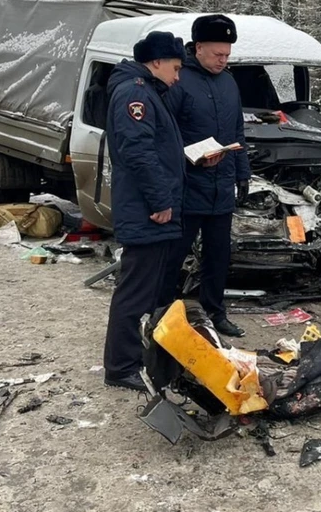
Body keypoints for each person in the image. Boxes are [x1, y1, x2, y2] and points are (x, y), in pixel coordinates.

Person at [103, 31, 187, 391]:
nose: (178, 75)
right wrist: (160, 201)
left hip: (149, 208)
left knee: (148, 288)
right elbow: (138, 153)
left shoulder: (149, 90)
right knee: (135, 289)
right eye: (176, 67)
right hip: (145, 210)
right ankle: (121, 367)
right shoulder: (136, 93)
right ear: (156, 62)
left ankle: (138, 357)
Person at [163, 14, 250, 337]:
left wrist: (242, 175)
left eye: (227, 55)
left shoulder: (228, 82)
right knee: (173, 256)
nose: (223, 60)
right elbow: (165, 132)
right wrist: (191, 157)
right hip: (187, 186)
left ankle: (215, 312)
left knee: (218, 256)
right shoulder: (178, 80)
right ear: (198, 48)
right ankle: (164, 313)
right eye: (217, 54)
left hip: (221, 185)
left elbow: (237, 130)